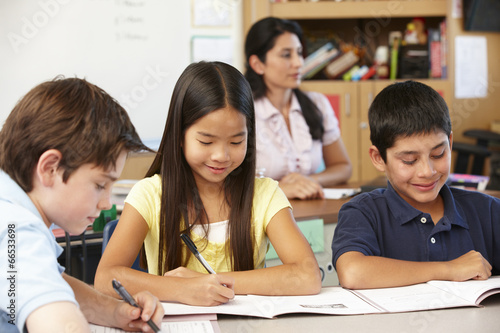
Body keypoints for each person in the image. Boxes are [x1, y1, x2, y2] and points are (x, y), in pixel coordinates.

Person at [94, 61, 322, 306]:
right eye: (206, 141)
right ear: (179, 136)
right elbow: (106, 278)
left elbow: (307, 275)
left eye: (236, 142)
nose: (221, 156)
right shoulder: (150, 194)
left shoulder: (265, 194)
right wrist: (180, 289)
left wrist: (211, 283)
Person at [0, 77, 164, 332]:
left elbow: (51, 282)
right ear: (51, 168)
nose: (107, 202)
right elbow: (60, 323)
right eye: (100, 185)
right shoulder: (18, 230)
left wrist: (115, 311)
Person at [332, 80, 500, 289]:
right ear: (378, 158)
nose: (427, 171)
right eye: (409, 160)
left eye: (438, 154)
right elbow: (353, 272)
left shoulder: (489, 211)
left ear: (450, 143)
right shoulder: (363, 212)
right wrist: (448, 269)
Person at [244, 17, 352, 200]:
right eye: (286, 55)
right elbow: (227, 182)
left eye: (300, 53)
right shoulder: (242, 111)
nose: (299, 63)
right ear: (257, 64)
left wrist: (307, 180)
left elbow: (343, 167)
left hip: (309, 208)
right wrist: (280, 189)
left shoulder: (317, 103)